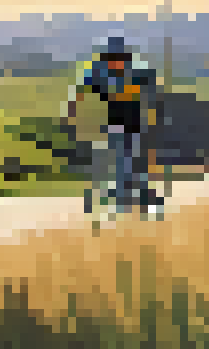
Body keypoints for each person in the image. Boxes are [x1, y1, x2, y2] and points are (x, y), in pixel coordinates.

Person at [64, 36, 160, 219]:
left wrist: (154, 109)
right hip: (115, 121)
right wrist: (71, 109)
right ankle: (125, 201)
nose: (116, 62)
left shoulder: (137, 70)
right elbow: (80, 89)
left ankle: (141, 199)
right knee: (123, 160)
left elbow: (153, 86)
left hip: (135, 121)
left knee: (133, 161)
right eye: (112, 58)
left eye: (120, 58)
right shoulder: (99, 71)